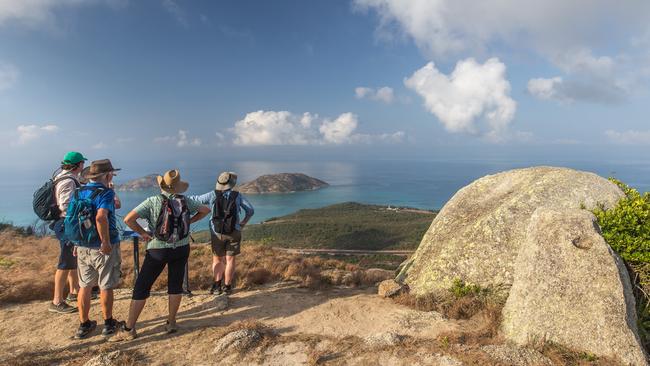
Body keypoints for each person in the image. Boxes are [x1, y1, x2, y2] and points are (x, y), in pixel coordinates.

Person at [112, 169, 210, 341]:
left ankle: (129, 329)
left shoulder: (152, 201)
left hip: (158, 250)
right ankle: (171, 323)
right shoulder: (185, 200)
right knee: (175, 285)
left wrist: (143, 233)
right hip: (181, 248)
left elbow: (128, 219)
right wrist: (190, 221)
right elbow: (205, 210)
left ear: (162, 185)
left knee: (142, 287)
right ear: (177, 187)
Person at [72, 159, 123, 339]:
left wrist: (77, 241)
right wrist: (106, 242)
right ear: (107, 175)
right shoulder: (106, 193)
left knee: (84, 286)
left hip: (83, 245)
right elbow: (101, 218)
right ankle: (108, 323)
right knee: (105, 285)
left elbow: (74, 218)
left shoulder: (78, 191)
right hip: (102, 247)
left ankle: (84, 325)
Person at [191, 171, 254, 296]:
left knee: (217, 259)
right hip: (234, 231)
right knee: (230, 260)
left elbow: (195, 200)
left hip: (217, 233)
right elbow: (250, 210)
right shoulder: (237, 196)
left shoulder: (212, 195)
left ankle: (216, 286)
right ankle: (227, 287)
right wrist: (242, 223)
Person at [49, 152, 86, 314]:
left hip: (65, 224)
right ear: (78, 165)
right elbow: (65, 205)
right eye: (82, 163)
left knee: (72, 258)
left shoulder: (65, 177)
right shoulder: (68, 181)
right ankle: (57, 301)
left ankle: (74, 291)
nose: (83, 166)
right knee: (65, 262)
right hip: (66, 224)